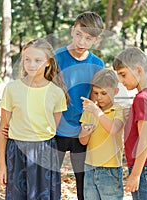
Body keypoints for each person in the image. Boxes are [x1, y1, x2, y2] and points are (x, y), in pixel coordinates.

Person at [0, 38, 68, 199]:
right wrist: (2, 165)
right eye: (27, 59)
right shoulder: (12, 89)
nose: (31, 64)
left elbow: (52, 127)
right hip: (16, 152)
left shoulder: (56, 93)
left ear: (49, 62)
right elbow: (2, 129)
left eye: (38, 60)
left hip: (45, 152)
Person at [54, 11, 105, 200]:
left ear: (96, 40)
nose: (81, 42)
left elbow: (99, 98)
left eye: (88, 38)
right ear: (72, 30)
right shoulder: (55, 58)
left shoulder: (97, 64)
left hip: (83, 130)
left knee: (83, 181)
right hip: (55, 128)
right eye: (78, 35)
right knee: (50, 178)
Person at [112, 47, 147, 200]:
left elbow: (144, 139)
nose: (121, 81)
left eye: (123, 75)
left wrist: (135, 174)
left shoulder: (141, 99)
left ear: (139, 70)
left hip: (144, 164)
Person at [78, 69, 125, 199]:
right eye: (96, 93)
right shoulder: (89, 110)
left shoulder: (118, 110)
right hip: (90, 166)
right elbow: (83, 141)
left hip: (110, 168)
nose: (99, 97)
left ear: (115, 91)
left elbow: (114, 129)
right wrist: (85, 133)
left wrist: (97, 112)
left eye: (104, 93)